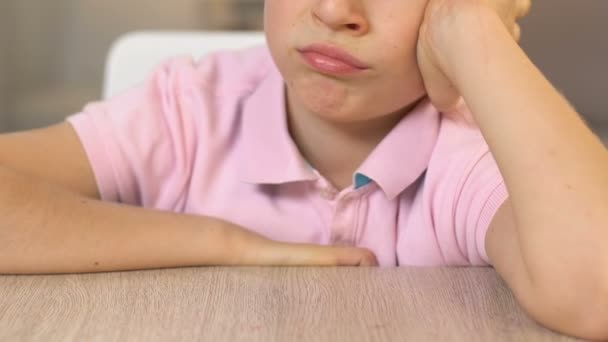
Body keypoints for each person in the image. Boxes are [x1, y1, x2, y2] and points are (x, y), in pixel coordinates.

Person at [1, 0, 606, 339]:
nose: (335, 9)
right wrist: (223, 244)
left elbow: (596, 296)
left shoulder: (472, 149)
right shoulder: (190, 112)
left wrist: (473, 36)